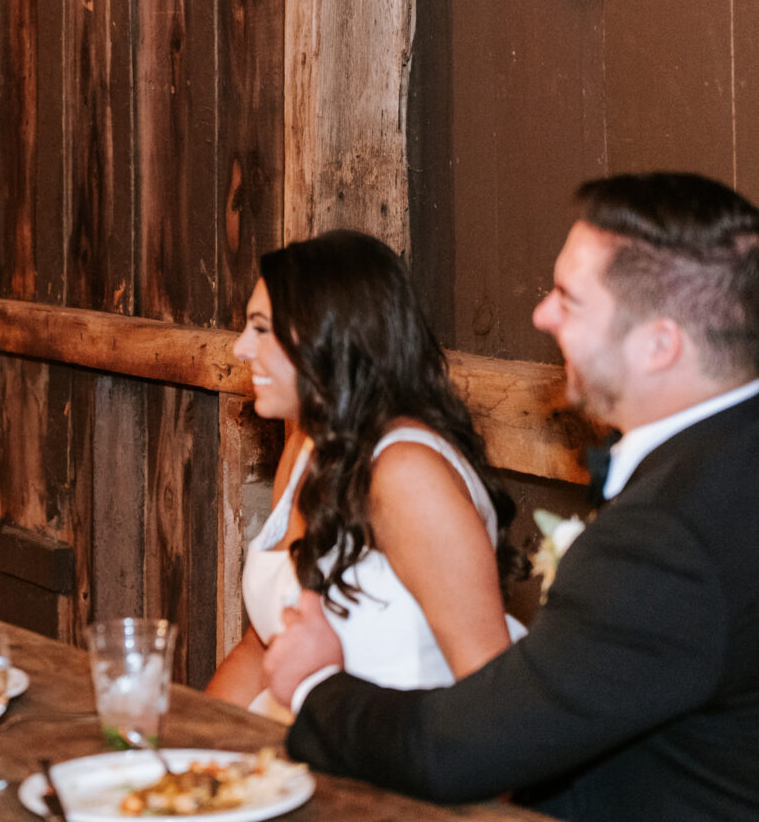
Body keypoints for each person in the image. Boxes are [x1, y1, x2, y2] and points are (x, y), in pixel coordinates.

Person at [265, 173, 759, 821]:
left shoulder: (669, 538)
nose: (541, 314)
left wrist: (314, 681)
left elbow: (453, 752)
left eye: (569, 300)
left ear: (659, 345)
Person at [205, 230, 524, 719]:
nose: (240, 348)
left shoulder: (407, 475)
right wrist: (187, 754)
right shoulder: (306, 445)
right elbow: (261, 646)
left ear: (332, 336)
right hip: (285, 756)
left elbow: (498, 711)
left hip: (393, 771)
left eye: (261, 328)